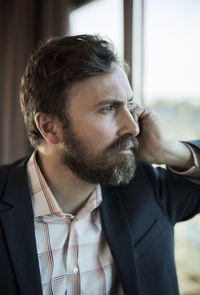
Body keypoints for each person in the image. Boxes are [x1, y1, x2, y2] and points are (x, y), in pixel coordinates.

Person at [0, 35, 199, 295]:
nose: (133, 127)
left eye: (129, 105)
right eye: (108, 109)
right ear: (49, 127)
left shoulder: (146, 188)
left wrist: (166, 150)